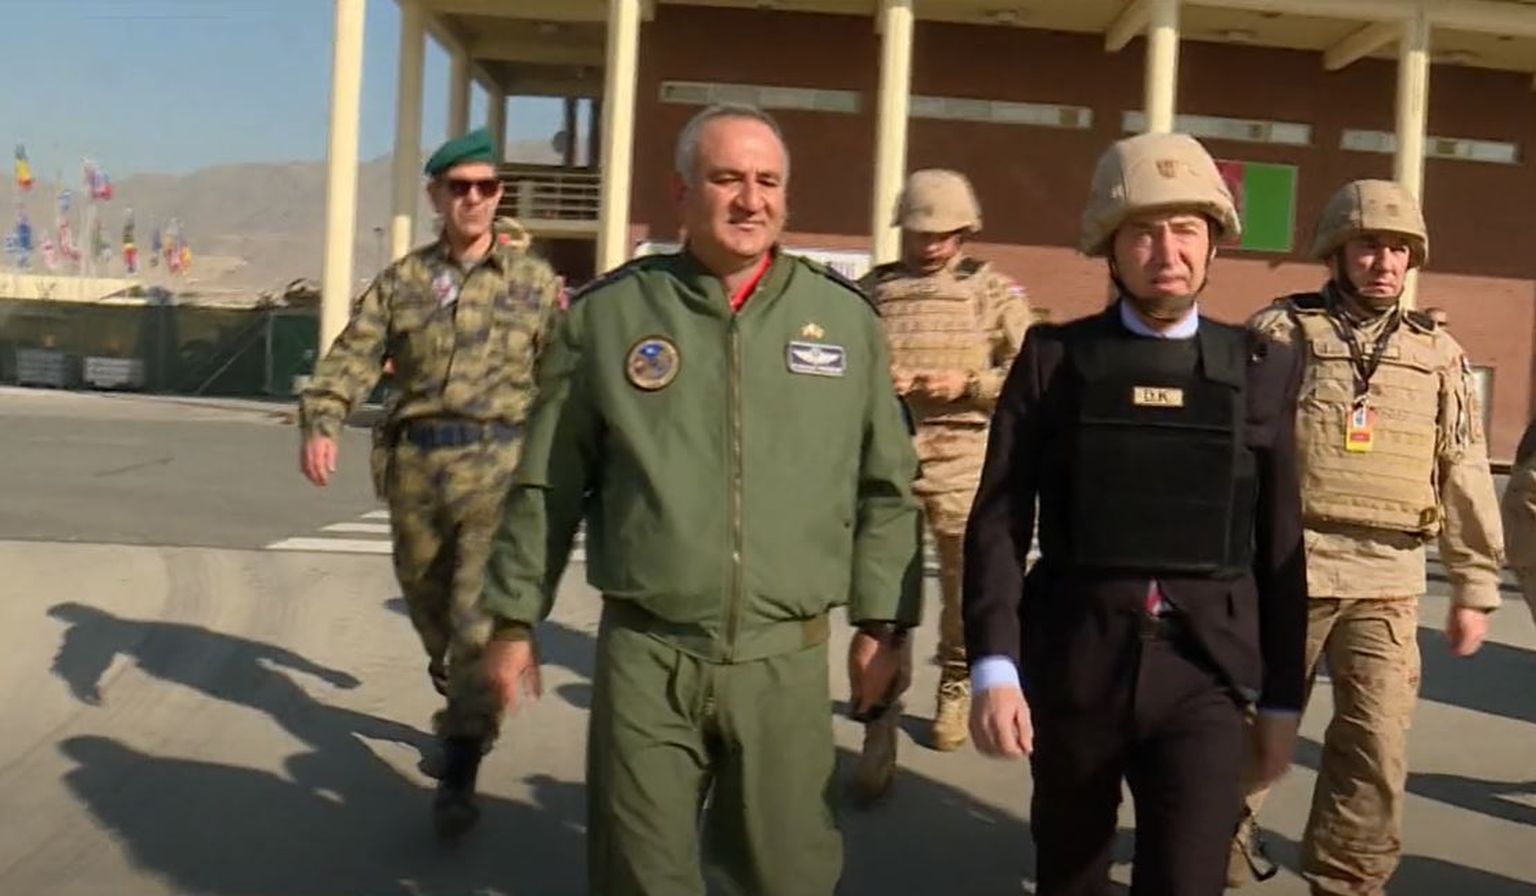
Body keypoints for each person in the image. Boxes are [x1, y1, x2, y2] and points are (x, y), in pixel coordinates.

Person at [476, 103, 923, 896]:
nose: (751, 200)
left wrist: (882, 623)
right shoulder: (609, 317)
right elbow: (548, 480)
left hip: (784, 659)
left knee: (786, 875)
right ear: (682, 192)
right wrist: (514, 620)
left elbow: (887, 488)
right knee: (640, 874)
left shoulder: (844, 323)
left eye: (768, 181)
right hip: (648, 653)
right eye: (727, 179)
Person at [963, 131, 1308, 895]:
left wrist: (1283, 700)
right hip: (1077, 662)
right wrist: (994, 665)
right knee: (1070, 876)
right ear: (1110, 247)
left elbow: (1280, 545)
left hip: (1206, 677)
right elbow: (999, 523)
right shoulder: (1054, 361)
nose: (1167, 251)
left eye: (1186, 230)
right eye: (1143, 231)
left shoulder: (1261, 369)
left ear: (1213, 243)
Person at [1231, 179, 1505, 894]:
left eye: (1399, 249)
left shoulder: (1439, 353)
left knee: (1374, 744)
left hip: (1387, 578)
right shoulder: (1281, 333)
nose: (1385, 262)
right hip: (1286, 571)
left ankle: (1348, 878)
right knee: (1250, 730)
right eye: (1368, 246)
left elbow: (1463, 466)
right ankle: (1210, 847)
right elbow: (1233, 456)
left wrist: (1474, 585)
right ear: (1336, 250)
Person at [296, 126, 562, 839]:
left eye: (486, 187)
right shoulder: (405, 282)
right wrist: (323, 420)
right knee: (430, 609)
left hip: (499, 470)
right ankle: (458, 686)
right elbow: (354, 355)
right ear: (437, 196)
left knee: (476, 620)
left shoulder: (534, 283)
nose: (474, 199)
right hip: (417, 470)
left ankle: (460, 765)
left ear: (499, 195)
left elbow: (565, 378)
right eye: (459, 188)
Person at [852, 168, 1030, 801]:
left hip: (964, 464)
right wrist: (880, 380)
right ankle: (878, 722)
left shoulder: (990, 291)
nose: (929, 246)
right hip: (890, 464)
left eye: (943, 235)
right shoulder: (872, 291)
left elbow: (1032, 372)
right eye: (919, 234)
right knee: (882, 607)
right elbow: (840, 365)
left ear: (965, 233)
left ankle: (954, 682)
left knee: (963, 595)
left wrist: (968, 385)